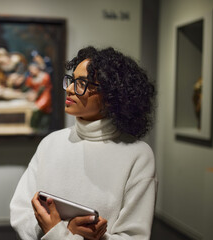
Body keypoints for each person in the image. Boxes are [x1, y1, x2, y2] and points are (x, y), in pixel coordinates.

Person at [10, 46, 156, 240]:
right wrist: (66, 231)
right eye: (71, 81)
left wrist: (60, 233)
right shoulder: (51, 143)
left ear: (112, 96)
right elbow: (20, 213)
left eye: (82, 83)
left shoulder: (138, 155)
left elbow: (134, 237)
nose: (69, 89)